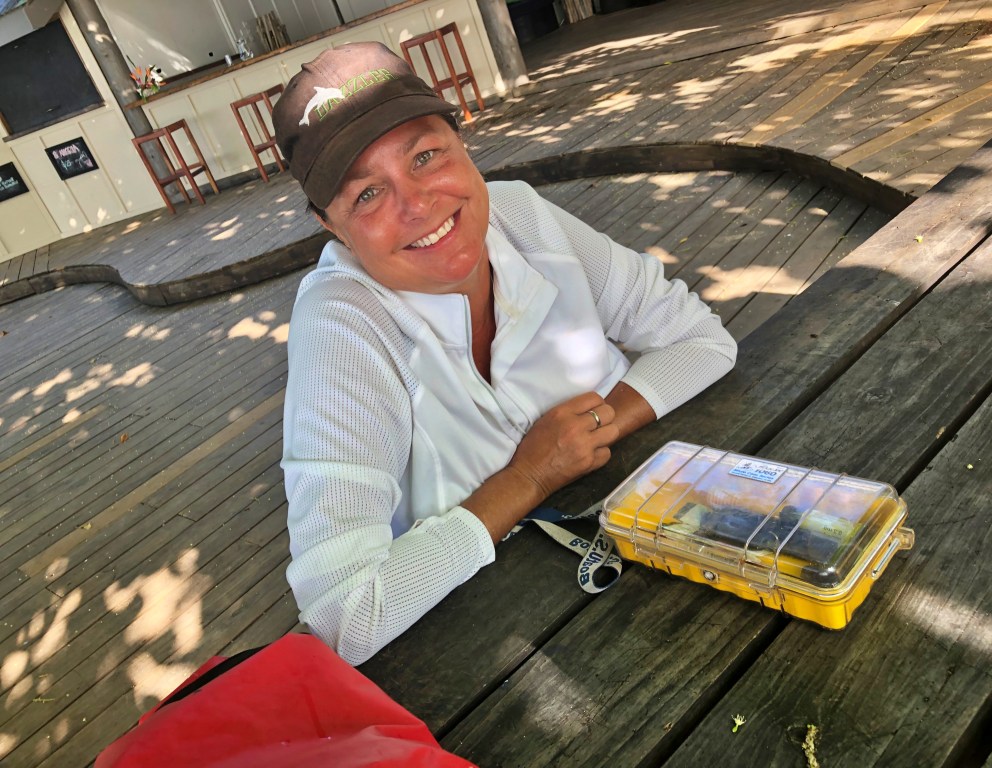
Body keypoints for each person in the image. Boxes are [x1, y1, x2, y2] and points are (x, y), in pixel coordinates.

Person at [272, 42, 737, 665]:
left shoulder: (521, 217)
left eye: (425, 156)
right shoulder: (342, 327)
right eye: (367, 195)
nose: (417, 205)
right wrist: (528, 477)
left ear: (462, 141)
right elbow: (342, 615)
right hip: (496, 650)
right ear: (332, 227)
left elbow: (701, 339)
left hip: (661, 540)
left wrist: (586, 434)